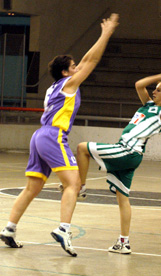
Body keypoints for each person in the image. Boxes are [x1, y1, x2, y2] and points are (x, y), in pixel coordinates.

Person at [0, 13, 119, 257]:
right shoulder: (68, 85)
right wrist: (105, 34)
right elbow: (92, 61)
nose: (78, 69)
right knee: (73, 184)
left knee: (32, 187)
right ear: (66, 72)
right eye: (74, 67)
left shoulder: (54, 86)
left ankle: (9, 229)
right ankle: (64, 229)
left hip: (39, 136)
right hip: (53, 136)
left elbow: (86, 59)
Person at [76, 71, 161, 254]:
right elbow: (139, 84)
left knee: (82, 148)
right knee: (123, 198)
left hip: (127, 150)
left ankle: (80, 188)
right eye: (154, 90)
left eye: (158, 90)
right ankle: (124, 242)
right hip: (132, 156)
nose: (154, 92)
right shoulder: (148, 105)